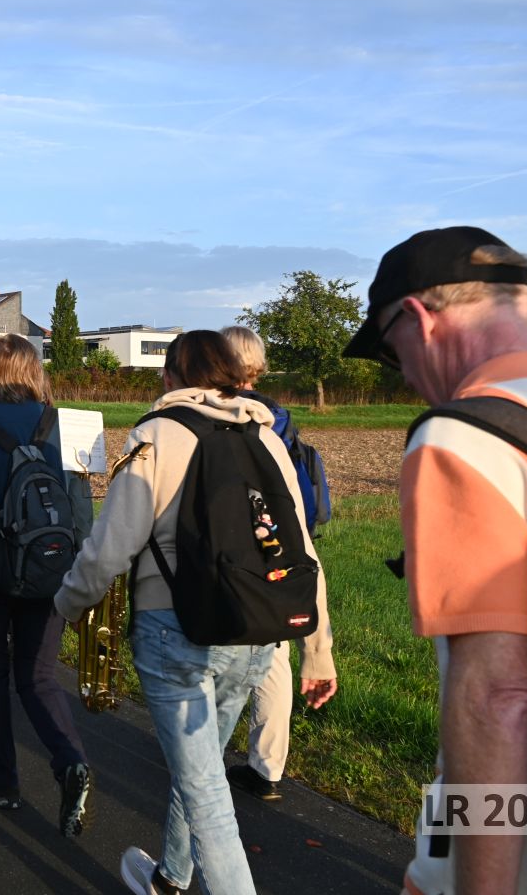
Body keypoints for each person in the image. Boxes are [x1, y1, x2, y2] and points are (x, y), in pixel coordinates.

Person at [343, 225, 527, 894]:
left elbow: (497, 697)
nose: (403, 374)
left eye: (390, 351)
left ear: (418, 318)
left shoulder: (464, 435)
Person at [55, 330, 333, 895]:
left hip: (174, 632)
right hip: (254, 633)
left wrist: (67, 603)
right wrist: (318, 650)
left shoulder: (157, 434)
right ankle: (170, 878)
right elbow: (300, 551)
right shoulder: (266, 437)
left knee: (207, 793)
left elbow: (109, 550)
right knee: (200, 773)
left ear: (169, 376)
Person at [0, 334, 93, 836]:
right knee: (38, 677)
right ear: (37, 372)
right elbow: (80, 507)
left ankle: (2, 782)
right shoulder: (65, 424)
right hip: (51, 568)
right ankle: (70, 759)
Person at [217, 325, 338, 802]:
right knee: (274, 657)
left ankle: (202, 756)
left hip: (235, 555)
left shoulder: (222, 417)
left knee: (217, 653)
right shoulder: (280, 420)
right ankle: (267, 768)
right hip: (285, 552)